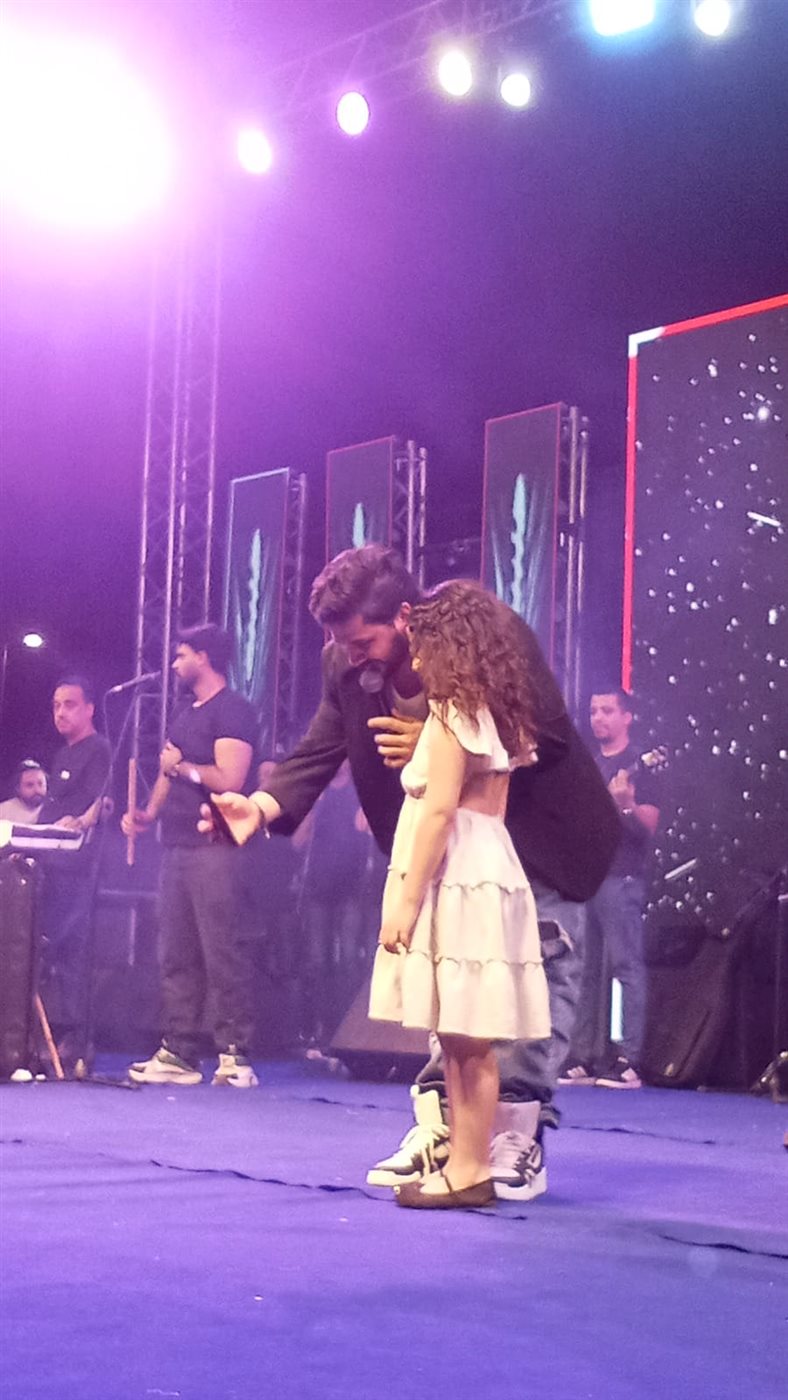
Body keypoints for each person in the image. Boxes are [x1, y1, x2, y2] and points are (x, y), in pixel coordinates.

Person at [208, 546, 620, 1200]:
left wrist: (437, 738)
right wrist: (259, 806)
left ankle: (515, 1134)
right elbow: (321, 745)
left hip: (535, 840)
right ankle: (447, 1133)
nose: (351, 656)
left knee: (516, 988)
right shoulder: (345, 663)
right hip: (441, 852)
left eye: (363, 641)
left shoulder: (479, 636)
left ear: (403, 617)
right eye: (340, 643)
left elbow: (542, 734)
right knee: (448, 992)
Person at [370, 580, 551, 1208]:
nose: (416, 659)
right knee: (457, 1032)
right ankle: (463, 1161)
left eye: (424, 645)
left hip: (460, 874)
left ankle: (470, 1166)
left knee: (467, 1033)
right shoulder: (488, 712)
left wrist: (404, 901)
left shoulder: (453, 713)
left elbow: (440, 810)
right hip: (482, 865)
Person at [123, 624, 260, 1089]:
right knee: (175, 951)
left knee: (220, 948)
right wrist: (147, 813)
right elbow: (167, 773)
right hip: (177, 844)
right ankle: (180, 1050)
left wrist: (181, 768)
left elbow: (230, 778)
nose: (175, 663)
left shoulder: (233, 710)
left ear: (204, 657)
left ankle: (235, 1053)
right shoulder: (185, 714)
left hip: (215, 847)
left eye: (182, 655)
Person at [560, 687, 661, 1090]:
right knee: (583, 968)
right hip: (586, 875)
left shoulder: (641, 765)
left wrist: (625, 805)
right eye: (593, 711)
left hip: (621, 877)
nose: (598, 718)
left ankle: (628, 1059)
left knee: (625, 966)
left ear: (627, 717)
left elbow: (648, 827)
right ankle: (582, 1056)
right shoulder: (589, 762)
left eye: (607, 710)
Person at [36, 677, 111, 1059]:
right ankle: (45, 1031)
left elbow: (103, 801)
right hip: (50, 863)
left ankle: (75, 1037)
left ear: (89, 709)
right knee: (47, 947)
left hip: (77, 867)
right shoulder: (61, 755)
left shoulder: (98, 750)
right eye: (55, 705)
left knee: (71, 949)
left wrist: (81, 821)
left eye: (69, 704)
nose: (60, 712)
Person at [0, 759, 47, 823]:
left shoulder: (56, 811)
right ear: (18, 788)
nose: (37, 790)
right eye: (30, 785)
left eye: (40, 784)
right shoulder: (3, 812)